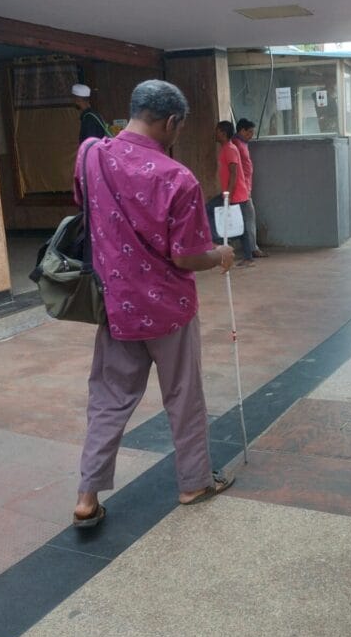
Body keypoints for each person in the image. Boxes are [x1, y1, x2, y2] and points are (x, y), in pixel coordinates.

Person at [72, 80, 237, 529]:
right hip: (169, 311)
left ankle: (87, 496)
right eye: (178, 128)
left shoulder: (91, 155)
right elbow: (185, 255)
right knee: (183, 396)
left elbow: (85, 208)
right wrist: (220, 255)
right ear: (171, 122)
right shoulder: (177, 178)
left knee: (108, 399)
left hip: (115, 305)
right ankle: (193, 483)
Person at [211, 120, 254, 266]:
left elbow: (234, 173)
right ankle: (221, 242)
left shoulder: (230, 149)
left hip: (236, 195)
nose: (215, 133)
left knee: (240, 227)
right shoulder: (226, 148)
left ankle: (247, 257)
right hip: (231, 194)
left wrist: (228, 194)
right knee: (237, 224)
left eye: (217, 131)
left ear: (223, 133)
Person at [233, 118, 268, 259]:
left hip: (245, 187)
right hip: (242, 189)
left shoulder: (242, 143)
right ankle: (252, 248)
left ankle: (251, 248)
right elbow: (237, 169)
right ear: (242, 130)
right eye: (250, 132)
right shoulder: (236, 144)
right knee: (249, 218)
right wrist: (244, 188)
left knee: (245, 218)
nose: (251, 135)